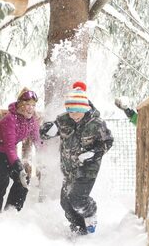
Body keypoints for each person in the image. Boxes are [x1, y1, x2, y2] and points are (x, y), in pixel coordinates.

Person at [40, 81, 114, 235]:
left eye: (76, 111)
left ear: (84, 108)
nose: (73, 115)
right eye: (70, 111)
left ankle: (91, 212)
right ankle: (80, 228)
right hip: (69, 169)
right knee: (65, 203)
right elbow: (44, 135)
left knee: (77, 199)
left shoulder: (96, 123)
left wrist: (94, 153)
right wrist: (48, 130)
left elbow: (108, 141)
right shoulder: (63, 119)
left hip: (88, 168)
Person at [0, 88, 41, 214]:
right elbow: (10, 147)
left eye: (33, 105)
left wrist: (46, 156)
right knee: (2, 179)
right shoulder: (10, 119)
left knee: (23, 179)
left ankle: (12, 211)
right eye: (27, 104)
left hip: (4, 152)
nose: (30, 108)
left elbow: (38, 141)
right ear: (20, 104)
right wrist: (18, 166)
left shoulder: (32, 121)